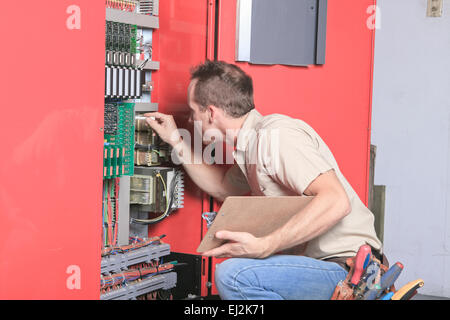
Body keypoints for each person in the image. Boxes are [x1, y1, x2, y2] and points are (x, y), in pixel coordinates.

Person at [145, 60, 382, 300]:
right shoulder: (251, 145)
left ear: (211, 112)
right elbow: (223, 188)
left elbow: (336, 201)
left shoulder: (275, 137)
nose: (189, 120)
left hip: (346, 271)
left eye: (193, 111)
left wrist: (266, 245)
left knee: (233, 275)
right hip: (321, 267)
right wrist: (176, 140)